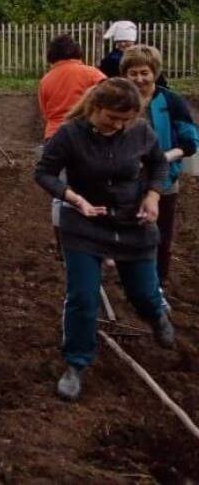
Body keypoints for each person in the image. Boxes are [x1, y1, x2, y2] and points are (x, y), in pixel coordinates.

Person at [34, 78, 175, 401]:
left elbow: (157, 163)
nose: (119, 125)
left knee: (143, 293)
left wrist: (153, 195)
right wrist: (73, 198)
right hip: (84, 225)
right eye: (113, 118)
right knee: (83, 297)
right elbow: (44, 173)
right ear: (95, 108)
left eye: (126, 120)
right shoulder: (70, 134)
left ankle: (156, 314)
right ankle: (76, 363)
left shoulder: (139, 131)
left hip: (132, 224)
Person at [119, 45, 199, 285]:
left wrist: (163, 158)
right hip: (126, 178)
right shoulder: (118, 99)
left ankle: (158, 281)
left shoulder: (171, 101)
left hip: (164, 178)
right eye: (133, 73)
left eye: (144, 72)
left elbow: (190, 142)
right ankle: (131, 278)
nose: (139, 79)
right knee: (128, 229)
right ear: (125, 74)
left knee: (161, 233)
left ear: (154, 72)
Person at [38, 34, 106, 142]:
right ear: (77, 51)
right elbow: (110, 96)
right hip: (84, 133)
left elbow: (45, 113)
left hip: (54, 134)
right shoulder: (92, 73)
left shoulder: (45, 80)